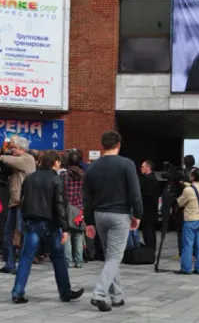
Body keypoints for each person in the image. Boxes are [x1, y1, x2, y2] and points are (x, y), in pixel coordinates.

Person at [11, 150, 84, 304]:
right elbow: (60, 206)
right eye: (58, 162)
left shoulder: (30, 178)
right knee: (58, 257)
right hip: (49, 223)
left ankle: (17, 292)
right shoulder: (56, 180)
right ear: (55, 162)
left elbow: (22, 199)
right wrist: (64, 228)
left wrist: (24, 219)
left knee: (26, 257)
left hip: (31, 222)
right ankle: (65, 292)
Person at [83, 131, 143, 312]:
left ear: (102, 145)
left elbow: (87, 197)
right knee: (115, 257)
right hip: (120, 215)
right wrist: (138, 215)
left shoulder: (92, 168)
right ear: (118, 144)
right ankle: (99, 294)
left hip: (99, 215)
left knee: (111, 257)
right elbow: (135, 193)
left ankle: (117, 297)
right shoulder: (127, 164)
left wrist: (88, 221)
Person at [0, 137, 37, 275]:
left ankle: (21, 265)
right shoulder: (19, 161)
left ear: (22, 149)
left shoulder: (27, 159)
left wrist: (3, 153)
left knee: (21, 234)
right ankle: (10, 264)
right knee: (8, 233)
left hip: (22, 203)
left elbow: (6, 159)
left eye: (14, 148)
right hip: (14, 202)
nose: (12, 150)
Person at [174, 168, 199, 275]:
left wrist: (184, 187)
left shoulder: (188, 190)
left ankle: (186, 268)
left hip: (190, 220)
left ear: (193, 177)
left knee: (187, 245)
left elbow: (180, 202)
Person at [60, 150, 85, 268]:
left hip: (67, 207)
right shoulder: (84, 175)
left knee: (67, 234)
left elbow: (61, 191)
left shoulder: (64, 175)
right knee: (79, 235)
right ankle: (79, 261)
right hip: (80, 208)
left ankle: (67, 261)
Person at [139, 160, 160, 251]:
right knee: (149, 230)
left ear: (148, 167)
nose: (141, 169)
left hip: (148, 209)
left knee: (148, 230)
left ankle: (150, 248)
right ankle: (151, 248)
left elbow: (147, 194)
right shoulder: (152, 178)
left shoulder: (149, 179)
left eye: (142, 167)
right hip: (150, 209)